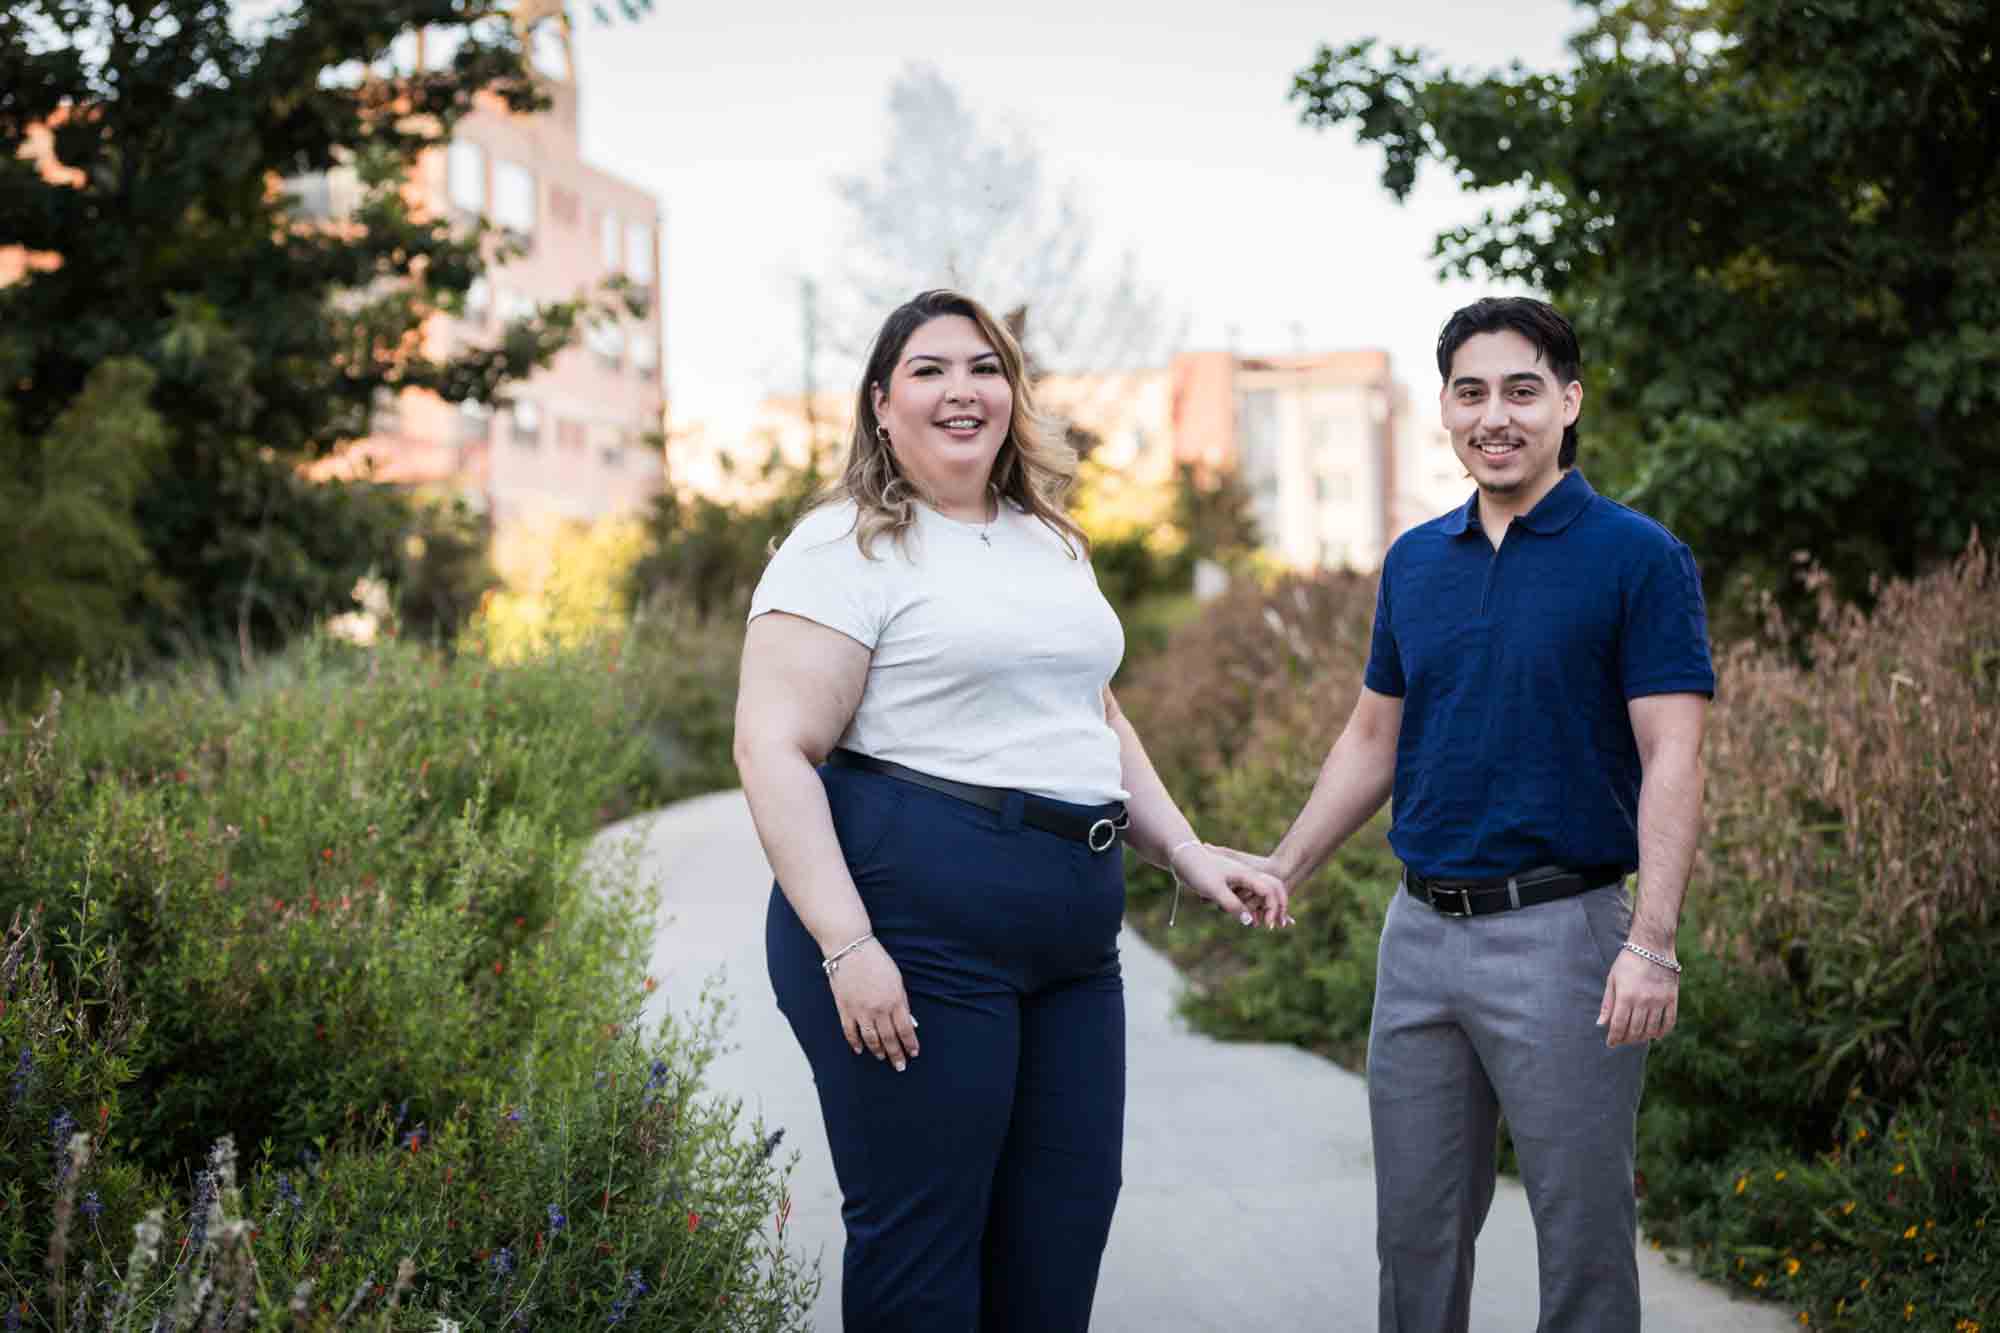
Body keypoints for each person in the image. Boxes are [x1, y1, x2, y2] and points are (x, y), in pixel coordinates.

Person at [732, 288, 1289, 1332]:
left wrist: (1180, 847)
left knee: (1060, 1232)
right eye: (930, 369)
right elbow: (771, 747)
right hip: (912, 933)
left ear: (1013, 395)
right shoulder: (840, 545)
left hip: (1071, 946)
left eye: (983, 367)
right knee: (926, 1252)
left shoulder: (1049, 543)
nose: (961, 389)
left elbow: (1093, 714)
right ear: (880, 403)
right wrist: (847, 946)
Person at [1218, 297, 1713, 1331]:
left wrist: (1652, 942)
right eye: (1470, 391)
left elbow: (1674, 750)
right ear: (1442, 407)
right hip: (1417, 942)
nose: (1495, 415)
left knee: (1579, 1239)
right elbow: (1370, 740)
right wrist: (1283, 865)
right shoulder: (1413, 562)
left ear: (1567, 402)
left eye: (1522, 390)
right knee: (1413, 1237)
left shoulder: (1636, 557)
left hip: (1563, 936)